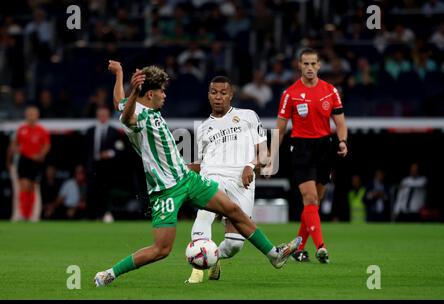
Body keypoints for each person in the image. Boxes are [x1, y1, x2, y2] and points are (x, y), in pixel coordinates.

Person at [93, 62, 301, 287]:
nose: (164, 95)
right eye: (161, 91)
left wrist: (119, 73)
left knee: (233, 210)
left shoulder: (142, 109)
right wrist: (134, 90)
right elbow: (124, 117)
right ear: (150, 93)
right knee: (161, 249)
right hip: (165, 191)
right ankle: (110, 273)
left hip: (187, 179)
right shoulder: (138, 117)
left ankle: (274, 255)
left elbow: (117, 102)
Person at [264, 48, 348, 264]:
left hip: (325, 148)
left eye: (313, 64)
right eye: (305, 64)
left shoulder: (330, 91)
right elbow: (280, 129)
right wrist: (272, 157)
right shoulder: (290, 94)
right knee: (309, 198)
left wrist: (342, 141)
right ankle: (321, 247)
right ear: (299, 66)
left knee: (315, 202)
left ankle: (298, 248)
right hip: (301, 148)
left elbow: (340, 122)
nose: (309, 68)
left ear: (319, 65)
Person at [185, 75, 269, 284]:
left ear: (231, 95)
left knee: (234, 245)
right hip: (212, 178)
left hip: (241, 182)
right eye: (214, 92)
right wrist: (183, 171)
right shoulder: (203, 127)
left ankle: (214, 258)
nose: (218, 97)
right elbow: (202, 162)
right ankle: (197, 269)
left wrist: (250, 166)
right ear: (208, 95)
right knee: (204, 214)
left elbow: (265, 153)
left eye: (223, 93)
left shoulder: (248, 116)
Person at [6, 105, 51, 221]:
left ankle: (32, 215)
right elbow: (14, 144)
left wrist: (40, 155)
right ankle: (22, 214)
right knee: (23, 187)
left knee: (33, 188)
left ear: (37, 116)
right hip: (24, 160)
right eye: (29, 114)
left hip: (35, 161)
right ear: (26, 115)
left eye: (33, 114)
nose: (31, 116)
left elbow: (46, 145)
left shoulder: (42, 130)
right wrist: (16, 150)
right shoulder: (21, 129)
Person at [85, 105, 123, 222]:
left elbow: (121, 149)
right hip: (93, 166)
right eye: (100, 114)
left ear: (108, 116)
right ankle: (92, 216)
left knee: (106, 191)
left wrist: (110, 153)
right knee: (92, 191)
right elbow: (85, 151)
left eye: (104, 114)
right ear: (97, 115)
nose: (102, 117)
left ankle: (106, 213)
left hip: (108, 167)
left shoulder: (114, 131)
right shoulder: (90, 131)